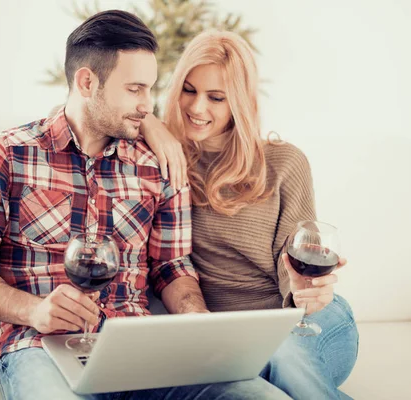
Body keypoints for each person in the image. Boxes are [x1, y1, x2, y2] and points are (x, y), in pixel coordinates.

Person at [0, 11, 291, 400]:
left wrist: (196, 321)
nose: (148, 106)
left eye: (150, 89)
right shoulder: (8, 154)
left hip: (141, 350)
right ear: (87, 82)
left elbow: (171, 266)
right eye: (135, 89)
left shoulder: (158, 164)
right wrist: (33, 311)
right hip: (40, 348)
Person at [141, 30, 359, 399]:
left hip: (301, 322)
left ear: (238, 102)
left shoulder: (284, 162)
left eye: (216, 97)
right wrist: (150, 124)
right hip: (221, 336)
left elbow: (293, 259)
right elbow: (74, 115)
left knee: (280, 352)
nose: (197, 108)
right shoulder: (161, 156)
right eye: (189, 90)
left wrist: (307, 294)